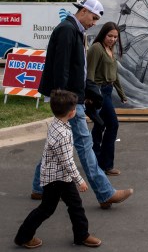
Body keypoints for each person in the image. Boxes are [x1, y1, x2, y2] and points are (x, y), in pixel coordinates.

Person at [31, 0, 133, 209]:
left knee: (56, 144)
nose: (94, 22)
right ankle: (105, 193)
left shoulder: (72, 30)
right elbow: (61, 68)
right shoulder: (68, 30)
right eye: (93, 17)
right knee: (85, 145)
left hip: (72, 97)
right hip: (69, 100)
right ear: (84, 11)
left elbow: (76, 69)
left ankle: (38, 188)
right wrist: (66, 101)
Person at [14, 90, 101, 248]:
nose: (76, 110)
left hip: (61, 176)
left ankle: (82, 235)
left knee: (75, 205)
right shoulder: (63, 134)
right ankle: (23, 237)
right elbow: (67, 162)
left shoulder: (57, 123)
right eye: (74, 108)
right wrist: (80, 181)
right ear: (70, 112)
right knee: (46, 209)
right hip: (55, 179)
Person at [87, 22, 127, 176]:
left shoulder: (111, 50)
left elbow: (114, 75)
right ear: (103, 34)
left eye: (115, 37)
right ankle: (106, 164)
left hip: (108, 90)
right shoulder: (97, 48)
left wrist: (122, 94)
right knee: (112, 124)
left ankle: (96, 163)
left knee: (100, 126)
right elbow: (89, 73)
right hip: (99, 92)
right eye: (110, 36)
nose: (112, 39)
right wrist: (91, 95)